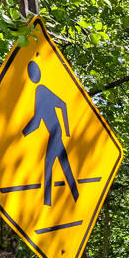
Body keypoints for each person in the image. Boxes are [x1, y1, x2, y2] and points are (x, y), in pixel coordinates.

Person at [21, 60, 78, 206]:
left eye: (33, 72)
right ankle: (76, 194)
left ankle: (47, 202)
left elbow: (63, 105)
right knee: (65, 165)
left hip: (55, 133)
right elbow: (38, 120)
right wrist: (22, 134)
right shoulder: (38, 91)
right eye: (30, 72)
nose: (31, 75)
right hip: (54, 133)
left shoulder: (42, 90)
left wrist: (67, 129)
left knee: (48, 166)